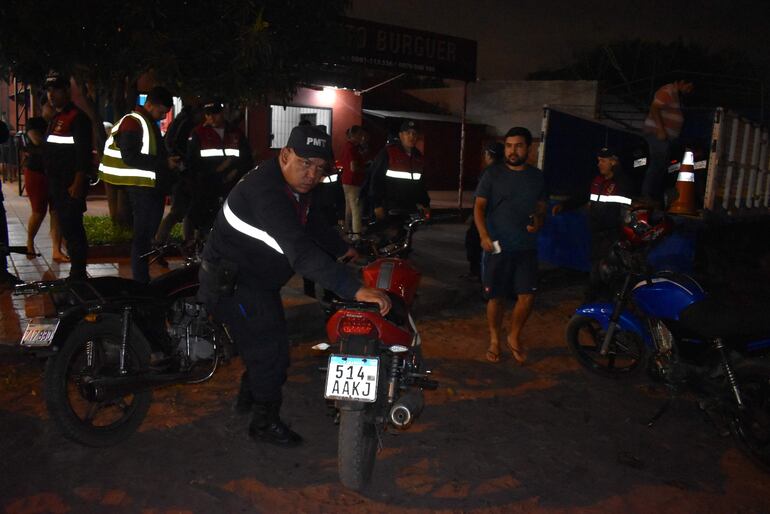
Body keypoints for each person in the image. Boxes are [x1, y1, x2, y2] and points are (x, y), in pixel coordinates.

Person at [197, 124, 391, 448]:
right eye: (305, 163)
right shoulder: (266, 192)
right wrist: (352, 288)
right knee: (272, 354)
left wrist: (342, 248)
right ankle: (263, 422)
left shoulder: (294, 188)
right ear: (285, 155)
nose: (312, 174)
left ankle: (249, 397)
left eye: (320, 168)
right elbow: (300, 252)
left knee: (266, 348)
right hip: (234, 284)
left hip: (255, 281)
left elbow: (311, 222)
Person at [474, 127, 546, 364]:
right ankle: (495, 339)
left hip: (526, 247)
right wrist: (484, 235)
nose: (512, 151)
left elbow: (541, 207)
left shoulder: (537, 177)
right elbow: (479, 208)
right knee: (496, 297)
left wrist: (538, 219)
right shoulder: (492, 175)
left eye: (518, 146)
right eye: (508, 146)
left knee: (527, 296)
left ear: (529, 148)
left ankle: (514, 336)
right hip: (498, 246)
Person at [98, 86, 180, 283]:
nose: (162, 116)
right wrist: (164, 163)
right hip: (142, 189)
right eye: (161, 111)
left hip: (149, 188)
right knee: (142, 238)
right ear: (149, 104)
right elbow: (130, 157)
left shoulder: (145, 122)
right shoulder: (133, 123)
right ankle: (141, 283)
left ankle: (142, 280)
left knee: (145, 237)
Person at [552, 146, 634, 301]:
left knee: (604, 274)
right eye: (598, 161)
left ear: (613, 162)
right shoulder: (598, 181)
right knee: (596, 272)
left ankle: (598, 307)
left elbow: (625, 211)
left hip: (613, 237)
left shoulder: (623, 183)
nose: (599, 164)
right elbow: (583, 196)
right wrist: (565, 205)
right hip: (597, 236)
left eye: (603, 161)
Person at [43, 73, 93, 280]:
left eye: (55, 90)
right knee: (65, 226)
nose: (51, 95)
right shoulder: (56, 118)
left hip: (70, 184)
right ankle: (76, 271)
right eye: (49, 91)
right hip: (57, 184)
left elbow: (83, 155)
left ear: (66, 91)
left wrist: (78, 182)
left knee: (73, 229)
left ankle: (78, 272)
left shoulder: (77, 118)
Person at [185, 100, 253, 238]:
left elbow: (246, 158)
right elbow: (192, 162)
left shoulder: (235, 132)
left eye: (215, 114)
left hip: (231, 185)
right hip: (207, 186)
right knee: (203, 220)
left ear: (222, 113)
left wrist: (235, 172)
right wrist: (213, 174)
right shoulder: (198, 133)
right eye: (208, 115)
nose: (211, 118)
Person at [154, 98, 200, 251]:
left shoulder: (182, 121)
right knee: (179, 211)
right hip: (182, 175)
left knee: (189, 210)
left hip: (184, 173)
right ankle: (160, 243)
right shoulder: (186, 123)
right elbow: (173, 146)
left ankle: (187, 243)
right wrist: (183, 166)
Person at [641, 80, 694, 206]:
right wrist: (661, 130)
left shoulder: (676, 95)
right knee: (657, 163)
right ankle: (647, 195)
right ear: (682, 82)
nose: (689, 90)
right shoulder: (667, 91)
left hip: (667, 136)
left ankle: (654, 195)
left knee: (662, 165)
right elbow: (655, 108)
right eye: (689, 86)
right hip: (658, 134)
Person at [368, 119, 431, 220]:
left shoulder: (418, 157)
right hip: (390, 207)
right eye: (408, 133)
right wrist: (377, 205)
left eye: (414, 134)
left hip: (410, 207)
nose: (411, 136)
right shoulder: (387, 153)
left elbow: (421, 184)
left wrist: (425, 204)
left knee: (408, 235)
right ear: (401, 135)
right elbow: (376, 180)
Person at [22, 117, 66, 260]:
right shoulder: (34, 122)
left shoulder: (59, 121)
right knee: (38, 212)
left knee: (56, 211)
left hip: (55, 172)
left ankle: (56, 250)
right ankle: (30, 242)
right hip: (36, 172)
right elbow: (36, 140)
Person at [465, 141, 503, 279]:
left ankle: (478, 273)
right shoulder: (507, 170)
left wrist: (472, 215)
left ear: (489, 155)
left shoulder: (488, 172)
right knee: (495, 245)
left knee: (473, 242)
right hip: (499, 217)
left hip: (485, 215)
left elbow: (480, 199)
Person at [339, 125, 367, 239]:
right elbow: (353, 167)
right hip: (353, 182)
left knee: (349, 209)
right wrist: (365, 169)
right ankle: (357, 235)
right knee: (356, 209)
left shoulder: (347, 146)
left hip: (346, 181)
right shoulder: (352, 148)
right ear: (354, 135)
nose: (362, 137)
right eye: (360, 134)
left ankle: (347, 232)